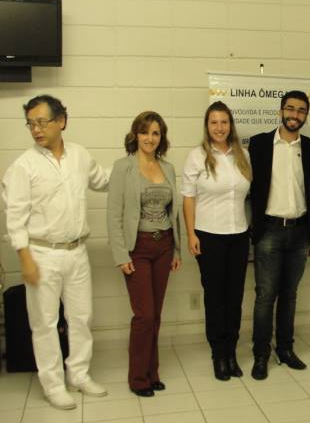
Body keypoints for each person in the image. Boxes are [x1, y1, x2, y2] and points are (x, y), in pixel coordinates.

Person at [2, 95, 110, 410]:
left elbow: (103, 180)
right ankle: (53, 385)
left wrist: (137, 166)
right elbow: (15, 218)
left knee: (81, 317)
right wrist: (25, 258)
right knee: (45, 324)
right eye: (30, 124)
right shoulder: (24, 166)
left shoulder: (79, 155)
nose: (36, 129)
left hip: (77, 252)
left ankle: (79, 374)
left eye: (41, 122)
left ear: (61, 121)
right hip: (41, 254)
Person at [107, 111, 181, 397]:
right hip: (136, 248)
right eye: (145, 132)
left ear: (161, 137)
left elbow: (172, 213)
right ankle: (138, 378)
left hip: (164, 246)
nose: (150, 138)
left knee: (156, 315)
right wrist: (121, 255)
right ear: (135, 135)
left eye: (155, 133)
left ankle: (152, 373)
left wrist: (176, 249)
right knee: (144, 315)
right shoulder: (122, 167)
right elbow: (114, 214)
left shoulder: (168, 168)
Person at [248, 90, 310, 380]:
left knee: (289, 295)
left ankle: (286, 349)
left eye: (301, 110)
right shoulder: (259, 144)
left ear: (305, 116)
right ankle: (261, 354)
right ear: (280, 111)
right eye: (290, 109)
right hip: (269, 231)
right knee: (266, 296)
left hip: (300, 232)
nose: (295, 114)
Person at [182, 101, 252, 381]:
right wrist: (191, 234)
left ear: (230, 125)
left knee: (235, 297)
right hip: (209, 236)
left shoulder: (243, 155)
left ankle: (231, 352)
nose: (219, 128)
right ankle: (218, 355)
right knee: (215, 298)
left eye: (224, 122)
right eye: (214, 122)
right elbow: (188, 198)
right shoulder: (197, 156)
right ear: (207, 126)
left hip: (239, 236)